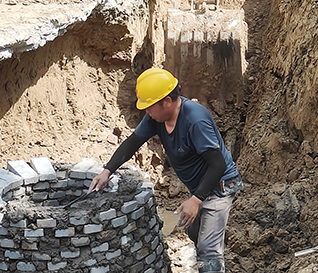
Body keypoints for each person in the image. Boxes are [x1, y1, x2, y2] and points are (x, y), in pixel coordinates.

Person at [90, 68, 243, 273]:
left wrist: (196, 200)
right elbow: (133, 142)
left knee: (209, 250)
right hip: (201, 185)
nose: (147, 112)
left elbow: (218, 165)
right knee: (195, 232)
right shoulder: (157, 117)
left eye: (150, 106)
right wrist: (107, 171)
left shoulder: (195, 121)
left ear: (167, 101)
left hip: (220, 184)